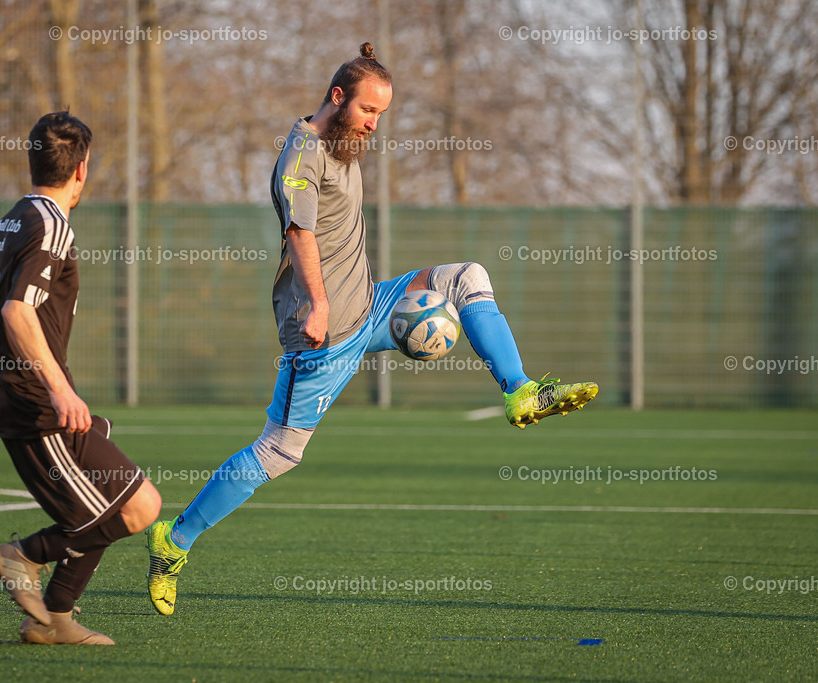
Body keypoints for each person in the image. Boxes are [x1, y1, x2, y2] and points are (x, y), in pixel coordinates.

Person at [145, 43, 598, 616]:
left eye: (382, 114)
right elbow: (300, 236)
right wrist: (315, 305)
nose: (374, 125)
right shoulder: (300, 158)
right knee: (280, 451)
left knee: (467, 277)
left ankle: (520, 390)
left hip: (371, 303)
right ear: (337, 97)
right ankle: (173, 541)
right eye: (368, 112)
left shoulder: (342, 139)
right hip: (323, 330)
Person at [0, 111, 161, 645]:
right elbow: (16, 312)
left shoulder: (10, 220)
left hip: (21, 398)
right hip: (34, 402)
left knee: (116, 501)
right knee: (136, 506)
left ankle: (52, 619)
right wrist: (59, 390)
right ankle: (20, 557)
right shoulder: (50, 224)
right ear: (82, 169)